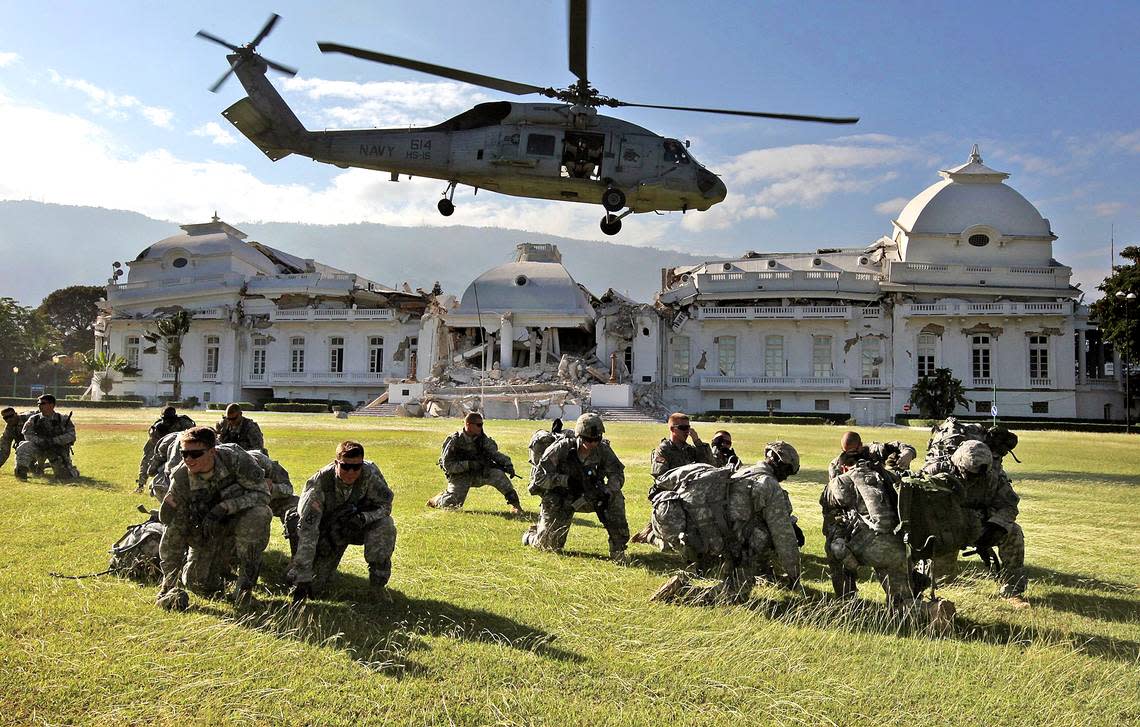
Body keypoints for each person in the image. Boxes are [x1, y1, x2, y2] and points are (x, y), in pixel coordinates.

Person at [650, 442, 803, 605]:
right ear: (783, 466)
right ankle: (680, 591)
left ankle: (742, 576)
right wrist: (794, 575)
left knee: (734, 576)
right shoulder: (769, 485)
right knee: (737, 595)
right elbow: (783, 536)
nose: (786, 477)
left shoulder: (742, 471)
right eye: (788, 472)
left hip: (708, 536)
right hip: (727, 543)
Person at [155, 427, 272, 610]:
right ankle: (220, 567)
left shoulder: (236, 459)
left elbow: (262, 495)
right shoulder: (181, 478)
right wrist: (168, 586)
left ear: (212, 451)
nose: (188, 460)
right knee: (198, 584)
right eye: (183, 453)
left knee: (259, 513)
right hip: (209, 533)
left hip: (239, 525)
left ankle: (244, 591)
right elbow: (173, 535)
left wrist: (225, 507)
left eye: (195, 454)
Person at [922, 440, 1028, 607]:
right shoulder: (936, 472)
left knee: (1013, 532)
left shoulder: (994, 476)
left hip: (981, 525)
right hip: (945, 529)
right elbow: (918, 505)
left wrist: (996, 526)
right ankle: (934, 590)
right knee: (942, 583)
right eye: (969, 473)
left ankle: (1012, 590)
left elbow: (1009, 505)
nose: (974, 478)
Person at [288, 441, 396, 602]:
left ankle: (377, 586)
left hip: (357, 526)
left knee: (385, 525)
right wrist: (303, 577)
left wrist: (363, 518)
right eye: (345, 467)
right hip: (328, 532)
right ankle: (296, 570)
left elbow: (385, 506)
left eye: (357, 467)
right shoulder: (319, 485)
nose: (351, 472)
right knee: (314, 589)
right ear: (336, 463)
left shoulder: (370, 474)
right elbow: (308, 532)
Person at [522, 413, 629, 560]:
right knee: (549, 546)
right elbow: (539, 478)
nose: (592, 443)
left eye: (596, 439)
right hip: (560, 498)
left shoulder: (603, 449)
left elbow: (617, 473)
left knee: (615, 498)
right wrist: (565, 481)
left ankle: (618, 549)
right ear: (579, 436)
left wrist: (608, 489)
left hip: (588, 496)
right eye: (588, 439)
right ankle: (531, 536)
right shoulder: (560, 449)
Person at [820, 447, 916, 610]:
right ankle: (929, 610)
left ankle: (847, 602)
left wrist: (845, 551)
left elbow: (830, 521)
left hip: (869, 547)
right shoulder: (887, 476)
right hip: (899, 547)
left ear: (844, 467)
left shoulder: (841, 481)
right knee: (902, 602)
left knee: (833, 548)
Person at [631, 412, 715, 546]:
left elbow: (710, 464)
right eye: (682, 428)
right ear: (672, 429)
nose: (687, 431)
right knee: (671, 539)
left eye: (688, 428)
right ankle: (651, 536)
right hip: (668, 493)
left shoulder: (690, 449)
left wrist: (698, 442)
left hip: (690, 492)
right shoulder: (663, 450)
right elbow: (660, 477)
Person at [428, 411, 523, 514]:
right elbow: (448, 466)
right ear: (468, 424)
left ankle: (515, 506)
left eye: (482, 425)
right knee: (451, 505)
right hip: (460, 475)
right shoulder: (455, 441)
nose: (481, 427)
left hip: (480, 473)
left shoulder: (482, 439)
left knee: (499, 475)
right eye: (478, 425)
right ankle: (437, 500)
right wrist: (469, 464)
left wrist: (507, 464)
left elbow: (494, 453)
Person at [15, 394, 77, 481]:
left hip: (56, 450)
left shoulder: (63, 419)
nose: (39, 405)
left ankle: (67, 469)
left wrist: (53, 441)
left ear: (51, 405)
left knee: (65, 476)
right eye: (38, 403)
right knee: (24, 445)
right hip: (39, 448)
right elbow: (27, 434)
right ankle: (21, 471)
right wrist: (40, 441)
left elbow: (71, 435)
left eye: (42, 403)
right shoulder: (34, 419)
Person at [136, 406, 196, 492]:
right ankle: (143, 485)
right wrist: (141, 483)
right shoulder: (157, 429)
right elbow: (147, 458)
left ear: (175, 417)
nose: (168, 422)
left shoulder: (185, 424)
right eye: (166, 419)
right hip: (163, 451)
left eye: (170, 419)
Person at [827, 430, 917, 479]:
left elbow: (899, 446)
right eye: (847, 452)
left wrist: (908, 453)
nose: (852, 454)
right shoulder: (836, 465)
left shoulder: (873, 451)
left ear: (861, 445)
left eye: (854, 450)